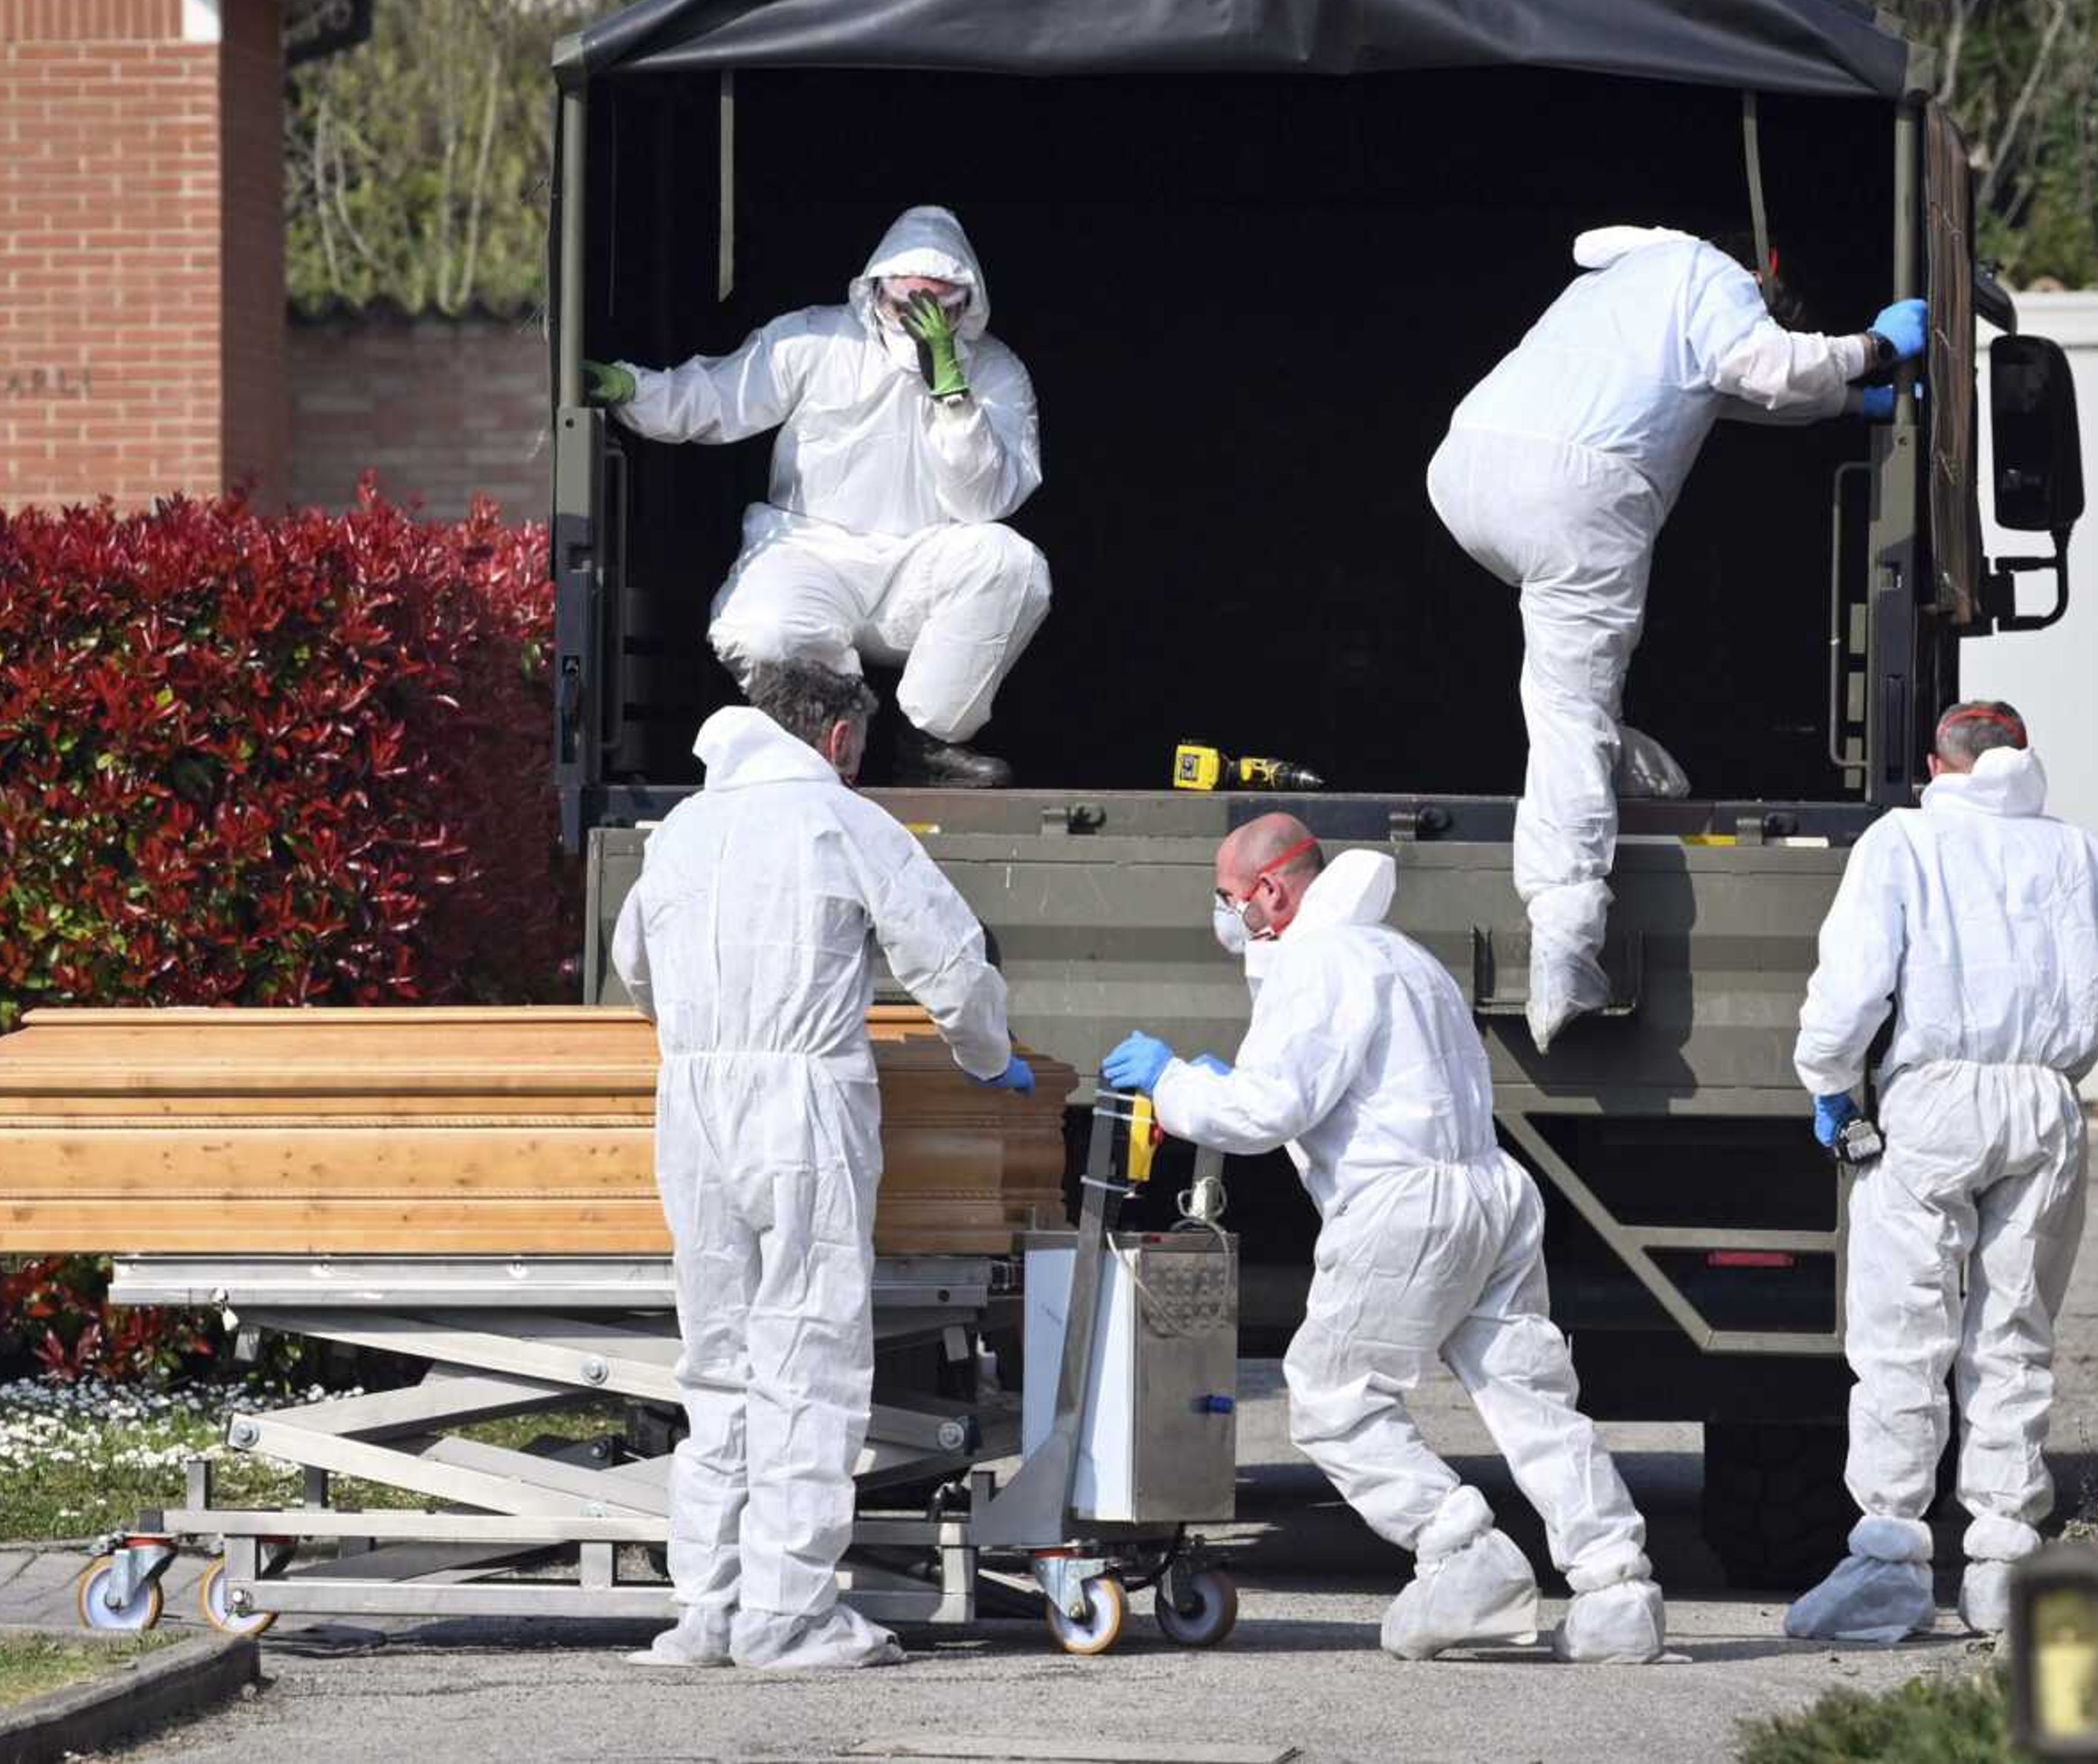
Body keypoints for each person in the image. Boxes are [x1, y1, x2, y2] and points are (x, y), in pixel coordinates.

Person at [1101, 813, 1665, 1663]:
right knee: (1530, 1396)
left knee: (1333, 1398)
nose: (1226, 915)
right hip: (1491, 1191)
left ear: (1270, 890)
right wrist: (1234, 1081)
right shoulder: (1405, 955)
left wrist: (1174, 1079)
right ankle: (1618, 1585)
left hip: (1402, 1202)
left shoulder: (1319, 959)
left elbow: (1265, 1112)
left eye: (1228, 896)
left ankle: (1463, 1554)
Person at [1786, 702, 2098, 1643]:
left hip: (1932, 1104)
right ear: (2026, 758)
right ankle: (2001, 1561)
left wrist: (1830, 1084)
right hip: (2046, 1105)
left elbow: (1851, 984)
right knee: (2012, 1330)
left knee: (1903, 1333)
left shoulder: (1905, 841)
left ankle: (1887, 1563)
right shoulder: (2081, 853)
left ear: (1936, 763)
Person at [608, 658, 1035, 1670]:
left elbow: (636, 968)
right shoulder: (840, 822)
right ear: (838, 739)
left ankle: (705, 1608)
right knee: (808, 1352)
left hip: (694, 1102)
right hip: (799, 1101)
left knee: (717, 1359)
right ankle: (788, 1615)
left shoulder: (681, 833)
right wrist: (989, 1055)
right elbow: (950, 957)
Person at [1428, 225, 1929, 1049]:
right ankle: (1564, 950)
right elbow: (1763, 367)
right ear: (1763, 273)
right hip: (1576, 491)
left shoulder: (1630, 282)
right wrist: (1873, 348)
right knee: (1569, 710)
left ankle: (1615, 757)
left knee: (1566, 692)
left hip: (1468, 471)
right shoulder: (1714, 274)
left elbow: (1726, 391)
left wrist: (1849, 403)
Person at [583, 205, 1048, 789]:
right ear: (876, 291)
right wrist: (631, 387)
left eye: (940, 305)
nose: (922, 319)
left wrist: (951, 391)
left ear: (966, 303)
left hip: (920, 564)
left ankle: (929, 744)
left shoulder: (997, 372)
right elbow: (717, 398)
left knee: (1011, 563)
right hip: (812, 551)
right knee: (760, 628)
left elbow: (986, 501)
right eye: (911, 303)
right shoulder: (816, 338)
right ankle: (824, 753)